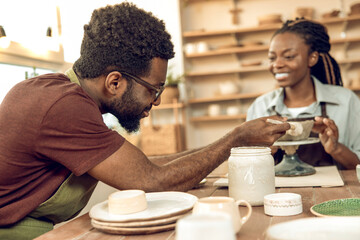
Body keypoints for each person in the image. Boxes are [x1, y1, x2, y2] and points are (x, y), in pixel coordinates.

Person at [0, 3, 289, 239]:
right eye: (153, 89)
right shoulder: (65, 107)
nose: (158, 100)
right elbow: (152, 181)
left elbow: (148, 167)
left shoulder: (67, 95)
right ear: (115, 82)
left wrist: (231, 141)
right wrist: (236, 140)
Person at [246, 18, 360, 170]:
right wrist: (265, 152)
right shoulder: (261, 107)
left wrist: (336, 149)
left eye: (289, 56)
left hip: (334, 193)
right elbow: (246, 169)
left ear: (312, 58)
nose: (277, 64)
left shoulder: (346, 101)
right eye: (272, 58)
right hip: (278, 194)